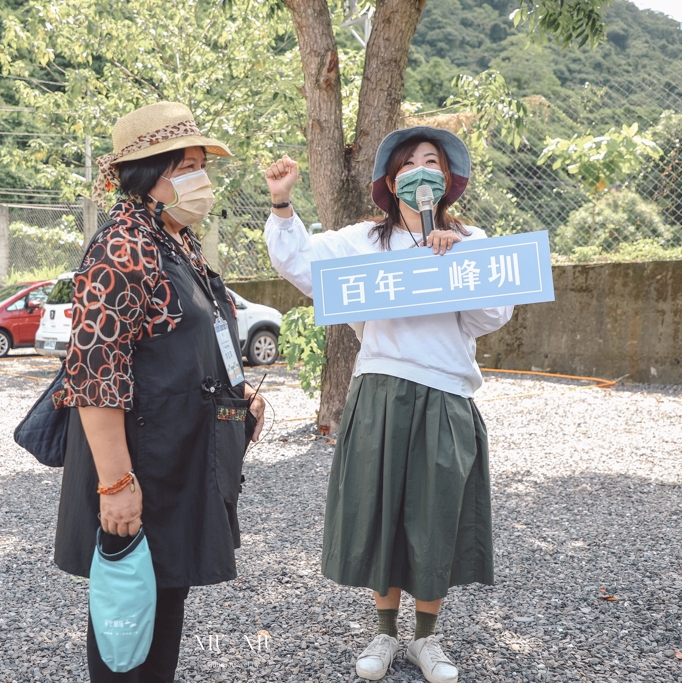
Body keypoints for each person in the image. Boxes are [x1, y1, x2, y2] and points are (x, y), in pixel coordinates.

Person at [263, 126, 512, 683]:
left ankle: (427, 639)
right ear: (390, 180)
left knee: (434, 513)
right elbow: (299, 263)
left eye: (431, 162)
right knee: (383, 510)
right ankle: (383, 631)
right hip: (381, 390)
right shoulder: (362, 240)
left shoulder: (472, 240)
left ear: (447, 179)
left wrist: (453, 261)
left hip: (448, 394)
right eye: (407, 164)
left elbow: (490, 319)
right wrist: (282, 201)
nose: (420, 171)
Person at [54, 101, 265, 683]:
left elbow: (195, 340)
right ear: (151, 175)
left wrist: (237, 397)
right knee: (129, 610)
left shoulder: (177, 240)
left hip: (176, 456)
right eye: (189, 166)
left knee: (164, 599)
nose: (202, 181)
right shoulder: (121, 247)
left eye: (203, 166)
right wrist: (116, 484)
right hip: (138, 461)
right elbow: (95, 377)